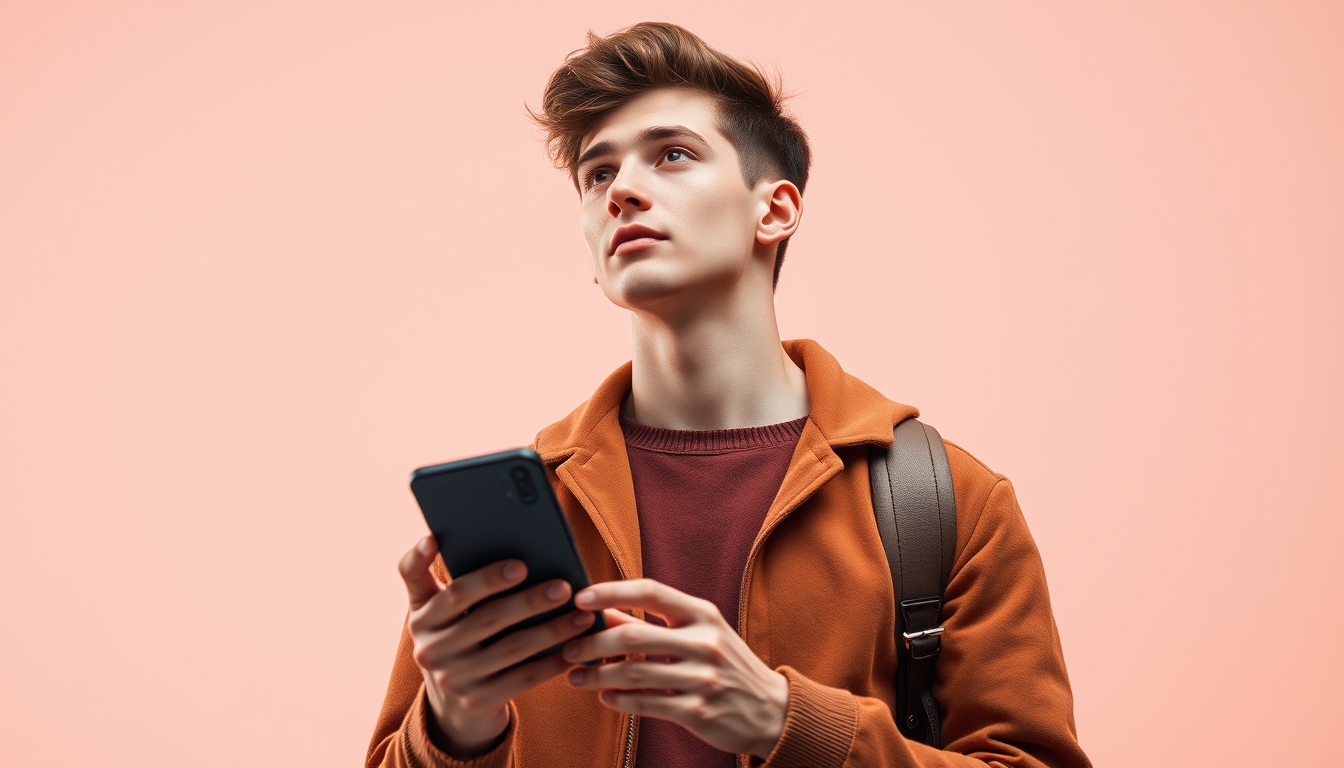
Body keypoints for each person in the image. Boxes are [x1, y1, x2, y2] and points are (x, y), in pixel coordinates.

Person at [367, 22, 1090, 768]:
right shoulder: (517, 520)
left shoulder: (946, 500)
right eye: (598, 175)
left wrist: (789, 723)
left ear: (774, 210)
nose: (623, 192)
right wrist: (454, 723)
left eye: (672, 154)